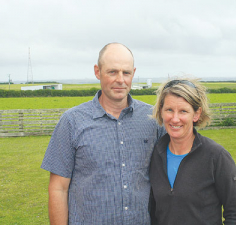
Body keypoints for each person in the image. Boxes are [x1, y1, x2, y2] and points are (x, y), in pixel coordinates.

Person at [41, 43, 164, 225]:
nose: (120, 80)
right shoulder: (72, 121)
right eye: (112, 72)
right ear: (97, 72)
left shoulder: (152, 119)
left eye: (126, 72)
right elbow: (59, 188)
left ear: (133, 73)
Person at [150, 79, 236, 224]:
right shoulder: (156, 153)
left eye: (183, 111)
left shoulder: (217, 156)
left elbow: (235, 215)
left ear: (196, 114)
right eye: (169, 110)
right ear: (161, 111)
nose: (175, 119)